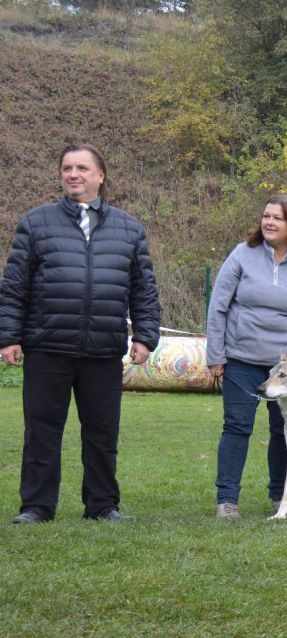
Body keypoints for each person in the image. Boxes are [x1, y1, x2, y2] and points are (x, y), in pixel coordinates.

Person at [1, 144, 160, 524]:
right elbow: (14, 286)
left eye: (82, 168)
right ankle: (37, 507)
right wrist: (9, 336)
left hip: (103, 349)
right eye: (67, 168)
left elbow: (144, 289)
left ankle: (102, 505)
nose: (73, 174)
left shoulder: (129, 228)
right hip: (47, 347)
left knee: (102, 434)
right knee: (41, 432)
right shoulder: (36, 223)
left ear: (100, 176)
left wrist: (144, 335)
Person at [206, 194, 287, 519]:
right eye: (266, 216)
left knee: (285, 431)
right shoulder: (242, 254)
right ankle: (227, 500)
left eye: (277, 218)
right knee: (236, 426)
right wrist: (216, 354)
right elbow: (218, 306)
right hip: (241, 361)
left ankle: (281, 497)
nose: (268, 222)